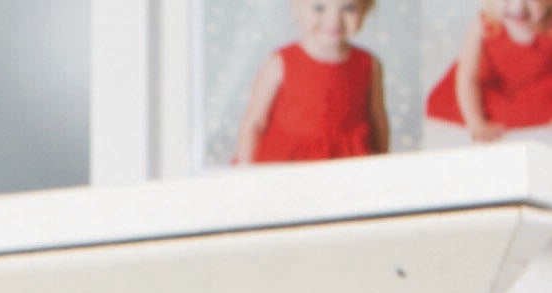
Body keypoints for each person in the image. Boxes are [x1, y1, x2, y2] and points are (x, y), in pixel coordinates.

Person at [237, 0, 392, 160]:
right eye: (319, 8)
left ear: (366, 9)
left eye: (348, 8)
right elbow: (254, 122)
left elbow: (378, 121)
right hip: (288, 162)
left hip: (347, 162)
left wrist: (383, 164)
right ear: (296, 8)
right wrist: (245, 169)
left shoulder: (369, 64)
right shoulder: (279, 63)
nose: (333, 20)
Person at [426, 0, 552, 140]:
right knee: (450, 102)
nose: (518, 7)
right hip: (491, 87)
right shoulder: (483, 25)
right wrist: (476, 124)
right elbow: (468, 78)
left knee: (539, 107)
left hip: (536, 88)